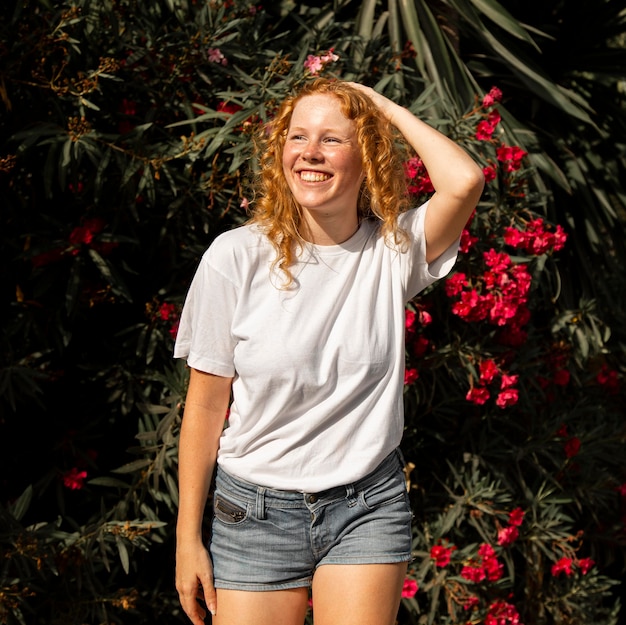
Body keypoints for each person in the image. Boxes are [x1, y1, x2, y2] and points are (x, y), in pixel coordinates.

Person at [173, 78, 484, 625]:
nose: (310, 152)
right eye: (297, 137)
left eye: (333, 139)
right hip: (254, 512)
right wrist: (186, 537)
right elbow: (204, 405)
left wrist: (377, 106)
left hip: (366, 507)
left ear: (366, 154)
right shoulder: (235, 257)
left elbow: (464, 181)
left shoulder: (392, 252)